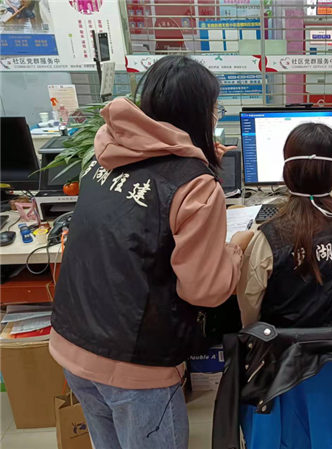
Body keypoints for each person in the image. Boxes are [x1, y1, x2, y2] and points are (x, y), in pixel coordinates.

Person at [50, 55, 253, 449]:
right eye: (215, 108)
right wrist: (235, 250)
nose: (216, 115)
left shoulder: (104, 154)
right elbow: (205, 290)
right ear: (197, 113)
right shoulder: (195, 186)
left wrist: (197, 158)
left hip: (72, 341)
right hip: (133, 362)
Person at [237, 123, 332, 328]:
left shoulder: (268, 237)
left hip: (286, 345)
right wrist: (330, 179)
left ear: (287, 172)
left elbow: (250, 308)